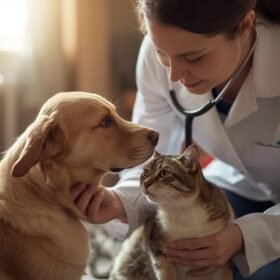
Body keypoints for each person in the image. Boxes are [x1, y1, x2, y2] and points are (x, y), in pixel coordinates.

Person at [71, 0, 280, 279]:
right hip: (238, 181)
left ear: (244, 25)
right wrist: (122, 201)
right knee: (189, 263)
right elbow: (147, 150)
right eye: (162, 54)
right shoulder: (164, 50)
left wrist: (247, 236)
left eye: (194, 58)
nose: (174, 74)